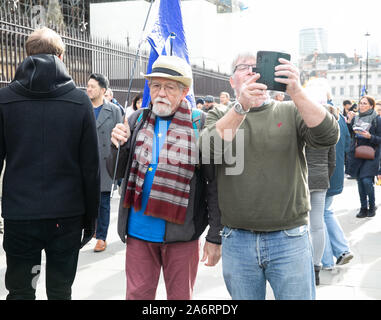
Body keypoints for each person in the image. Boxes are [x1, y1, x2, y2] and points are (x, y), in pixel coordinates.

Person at [200, 52, 339, 300]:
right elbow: (208, 151)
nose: (255, 73)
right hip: (237, 239)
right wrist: (240, 108)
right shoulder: (220, 115)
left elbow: (328, 135)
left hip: (289, 238)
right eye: (245, 68)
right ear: (232, 81)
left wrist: (296, 91)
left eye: (260, 67)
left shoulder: (290, 111)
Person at [106, 55, 222, 300]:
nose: (160, 93)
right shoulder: (136, 120)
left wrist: (215, 235)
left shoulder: (199, 124)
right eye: (156, 86)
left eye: (169, 87)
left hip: (182, 235)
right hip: (139, 233)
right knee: (137, 296)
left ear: (184, 91)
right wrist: (118, 146)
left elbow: (214, 185)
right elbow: (115, 173)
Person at [0, 27, 100, 300]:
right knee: (60, 291)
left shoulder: (5, 100)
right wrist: (91, 217)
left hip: (20, 215)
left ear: (26, 56)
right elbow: (90, 167)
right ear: (61, 56)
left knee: (20, 291)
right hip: (66, 216)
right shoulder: (80, 101)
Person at [86, 73, 122, 252]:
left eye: (92, 86)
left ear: (103, 90)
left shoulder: (114, 110)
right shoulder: (82, 107)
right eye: (88, 86)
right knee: (86, 201)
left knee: (104, 201)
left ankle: (101, 237)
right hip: (85, 161)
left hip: (105, 162)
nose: (89, 89)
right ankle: (90, 230)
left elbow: (121, 137)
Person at [305, 106, 336, 286]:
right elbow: (332, 162)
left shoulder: (303, 127)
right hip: (320, 180)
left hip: (301, 180)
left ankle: (303, 266)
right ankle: (316, 267)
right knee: (317, 226)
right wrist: (324, 176)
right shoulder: (328, 132)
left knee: (299, 226)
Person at [322, 106, 354, 270]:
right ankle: (342, 250)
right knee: (325, 213)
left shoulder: (319, 114)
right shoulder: (339, 117)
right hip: (334, 174)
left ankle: (326, 260)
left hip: (320, 176)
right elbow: (348, 143)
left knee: (317, 218)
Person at [346, 95, 381, 218]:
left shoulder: (377, 119)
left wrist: (370, 137)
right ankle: (363, 208)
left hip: (372, 155)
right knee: (360, 182)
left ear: (371, 106)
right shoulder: (357, 118)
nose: (361, 105)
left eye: (365, 103)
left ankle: (372, 207)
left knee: (366, 180)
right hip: (358, 154)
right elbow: (352, 134)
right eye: (361, 103)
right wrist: (350, 122)